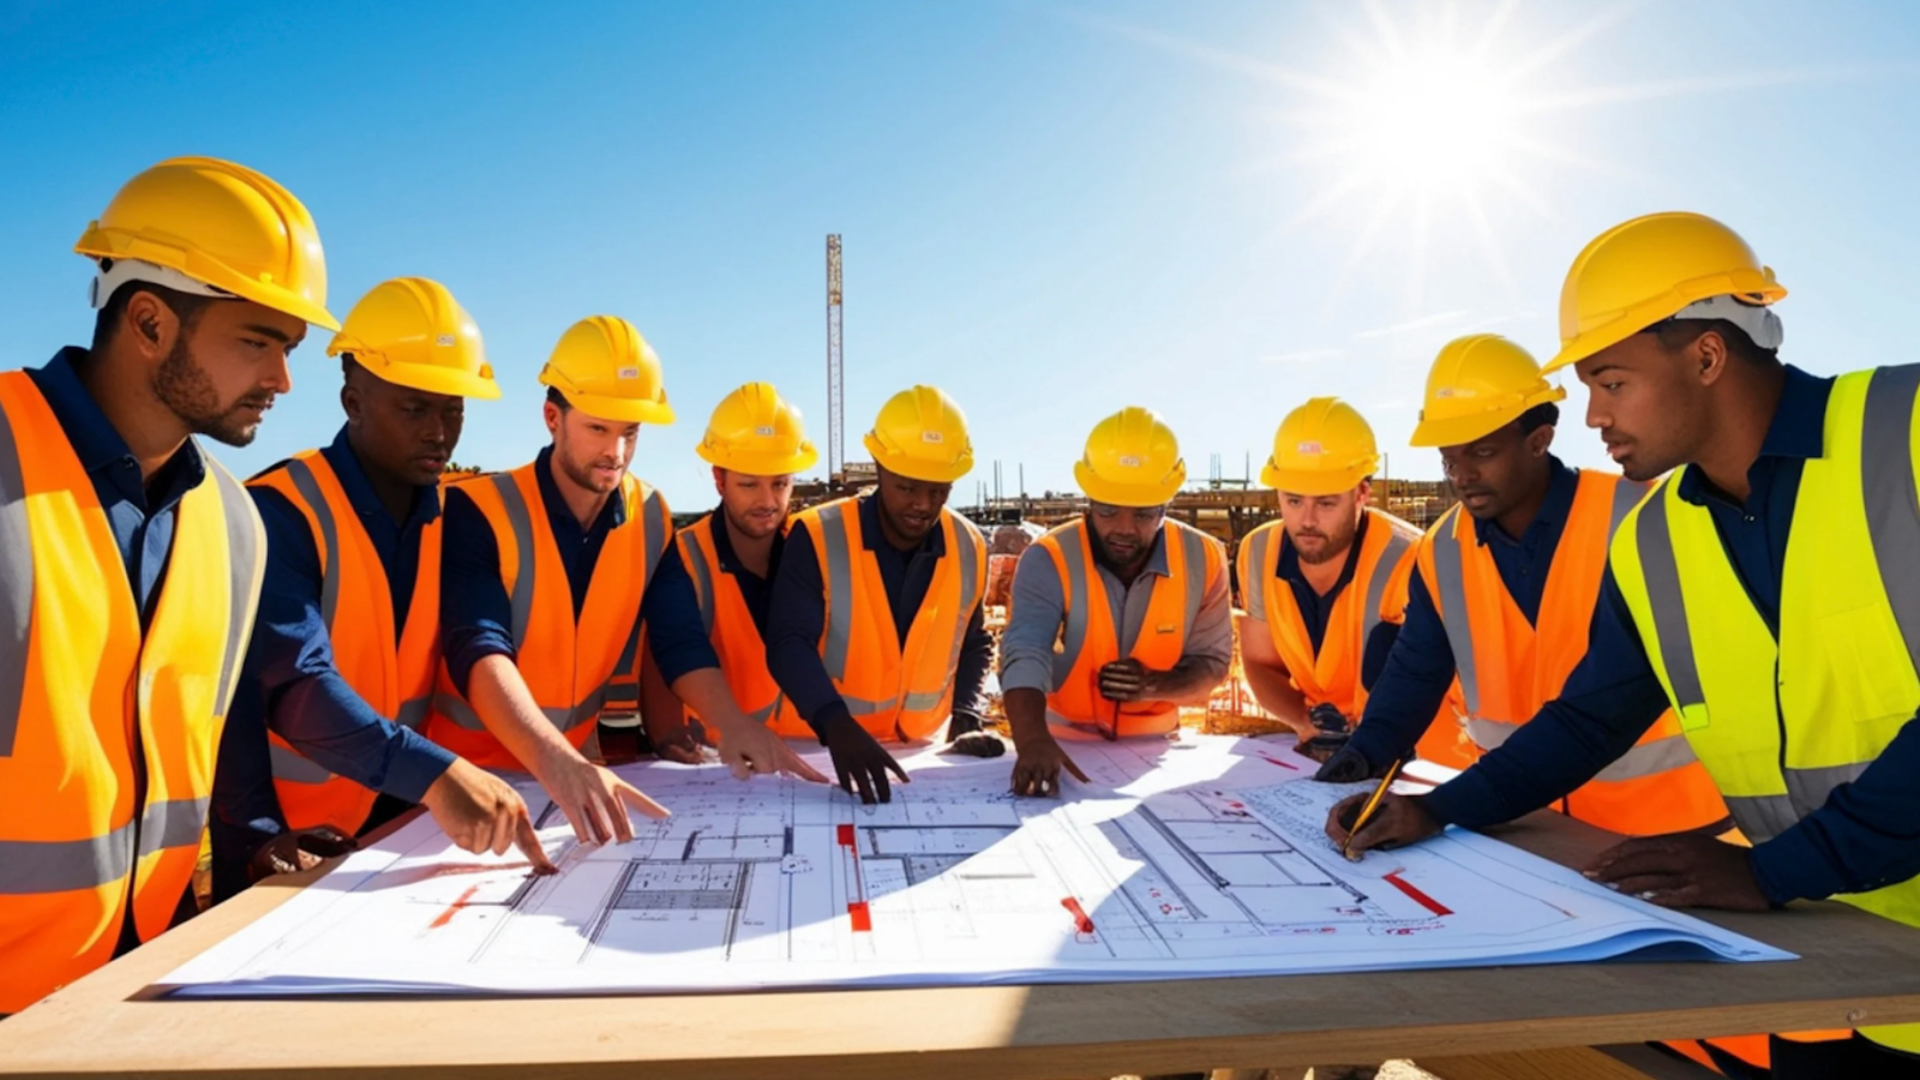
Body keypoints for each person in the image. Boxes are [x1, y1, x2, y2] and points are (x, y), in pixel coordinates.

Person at [1330, 212, 1920, 1076]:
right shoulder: (1654, 543)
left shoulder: (1902, 431)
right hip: (1835, 962)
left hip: (1809, 901)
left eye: (1611, 381)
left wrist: (1771, 873)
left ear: (1708, 356)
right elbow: (1587, 722)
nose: (1593, 414)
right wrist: (1439, 809)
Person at [0, 157, 336, 1014]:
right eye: (257, 341)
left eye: (288, 349)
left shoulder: (236, 522)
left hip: (133, 991)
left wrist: (253, 847)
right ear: (149, 320)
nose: (283, 380)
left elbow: (197, 734)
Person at [210, 278, 551, 902]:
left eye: (454, 410)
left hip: (395, 832)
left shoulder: (450, 520)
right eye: (415, 409)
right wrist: (256, 837)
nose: (439, 433)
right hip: (281, 842)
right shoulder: (281, 511)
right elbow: (287, 683)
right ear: (353, 402)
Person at [1317, 335, 1728, 840]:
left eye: (1482, 453)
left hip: (1669, 825)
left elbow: (1611, 704)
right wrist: (1366, 752)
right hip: (1525, 823)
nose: (1461, 476)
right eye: (1449, 458)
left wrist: (1440, 808)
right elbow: (1415, 670)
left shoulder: (1643, 519)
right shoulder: (1442, 548)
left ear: (1539, 440)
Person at [425, 317, 812, 845]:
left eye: (630, 432)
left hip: (566, 781)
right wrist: (558, 761)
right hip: (465, 785)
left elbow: (678, 640)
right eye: (598, 429)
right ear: (552, 418)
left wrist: (733, 722)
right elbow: (477, 645)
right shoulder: (479, 509)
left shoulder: (650, 515)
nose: (617, 453)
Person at [765, 385, 995, 804]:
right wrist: (833, 723)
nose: (923, 505)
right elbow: (787, 642)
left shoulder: (968, 543)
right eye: (907, 487)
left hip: (923, 757)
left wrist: (967, 717)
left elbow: (974, 639)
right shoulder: (818, 534)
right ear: (879, 466)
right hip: (820, 751)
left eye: (938, 490)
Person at [1001, 407, 1229, 796]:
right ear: (1089, 499)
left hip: (1159, 758)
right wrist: (1032, 739)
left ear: (1166, 503)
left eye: (1143, 514)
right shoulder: (1049, 556)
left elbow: (1213, 662)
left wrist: (1155, 686)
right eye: (1108, 510)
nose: (1124, 528)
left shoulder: (1204, 557)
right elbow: (1025, 650)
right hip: (1062, 744)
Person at [1235, 398, 1454, 766]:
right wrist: (1305, 723)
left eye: (1326, 503)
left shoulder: (1414, 559)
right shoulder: (1257, 551)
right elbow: (1260, 662)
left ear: (1362, 493)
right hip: (1318, 754)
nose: (1306, 520)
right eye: (1292, 500)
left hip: (1416, 760)